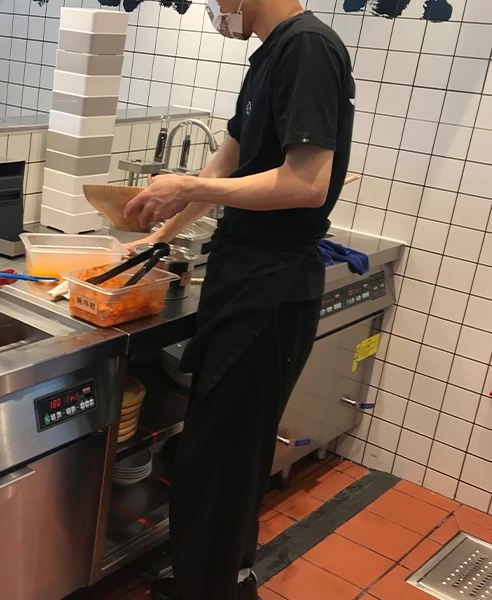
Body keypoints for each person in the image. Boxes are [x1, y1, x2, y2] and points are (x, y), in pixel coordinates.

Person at [124, 0, 355, 598]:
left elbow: (307, 183)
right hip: (244, 278)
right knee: (217, 450)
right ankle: (215, 574)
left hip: (271, 289)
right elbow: (230, 159)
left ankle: (214, 585)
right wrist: (157, 235)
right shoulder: (268, 55)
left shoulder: (309, 48)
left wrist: (187, 185)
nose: (209, 8)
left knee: (218, 459)